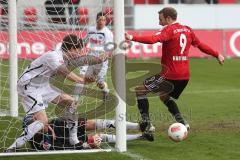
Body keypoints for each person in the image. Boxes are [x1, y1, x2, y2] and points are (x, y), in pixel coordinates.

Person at [125, 7, 224, 138]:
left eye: (160, 19)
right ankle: (182, 122)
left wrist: (132, 37)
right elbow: (201, 45)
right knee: (164, 96)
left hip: (169, 75)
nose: (159, 22)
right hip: (184, 77)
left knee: (140, 90)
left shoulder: (169, 30)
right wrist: (217, 54)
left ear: (168, 18)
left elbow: (153, 39)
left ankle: (147, 124)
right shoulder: (188, 30)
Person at [5, 34, 107, 152]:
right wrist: (83, 80)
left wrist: (98, 60)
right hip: (29, 86)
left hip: (44, 86)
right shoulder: (53, 56)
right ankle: (13, 147)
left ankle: (73, 140)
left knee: (71, 102)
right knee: (43, 121)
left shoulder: (65, 56)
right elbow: (67, 74)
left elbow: (82, 60)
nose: (79, 53)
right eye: (78, 50)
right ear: (72, 49)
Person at [25, 115, 148, 151]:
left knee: (91, 124)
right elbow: (62, 147)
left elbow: (50, 123)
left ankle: (138, 126)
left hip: (63, 126)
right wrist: (83, 145)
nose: (42, 122)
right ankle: (141, 136)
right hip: (70, 140)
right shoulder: (40, 143)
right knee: (97, 138)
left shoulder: (45, 127)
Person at [75, 12, 113, 101]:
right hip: (90, 57)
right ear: (96, 20)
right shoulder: (90, 29)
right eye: (100, 19)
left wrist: (106, 54)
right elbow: (85, 42)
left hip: (101, 60)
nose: (102, 22)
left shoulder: (107, 33)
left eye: (104, 20)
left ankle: (105, 90)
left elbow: (110, 48)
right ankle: (74, 101)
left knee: (99, 82)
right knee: (81, 77)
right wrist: (79, 50)